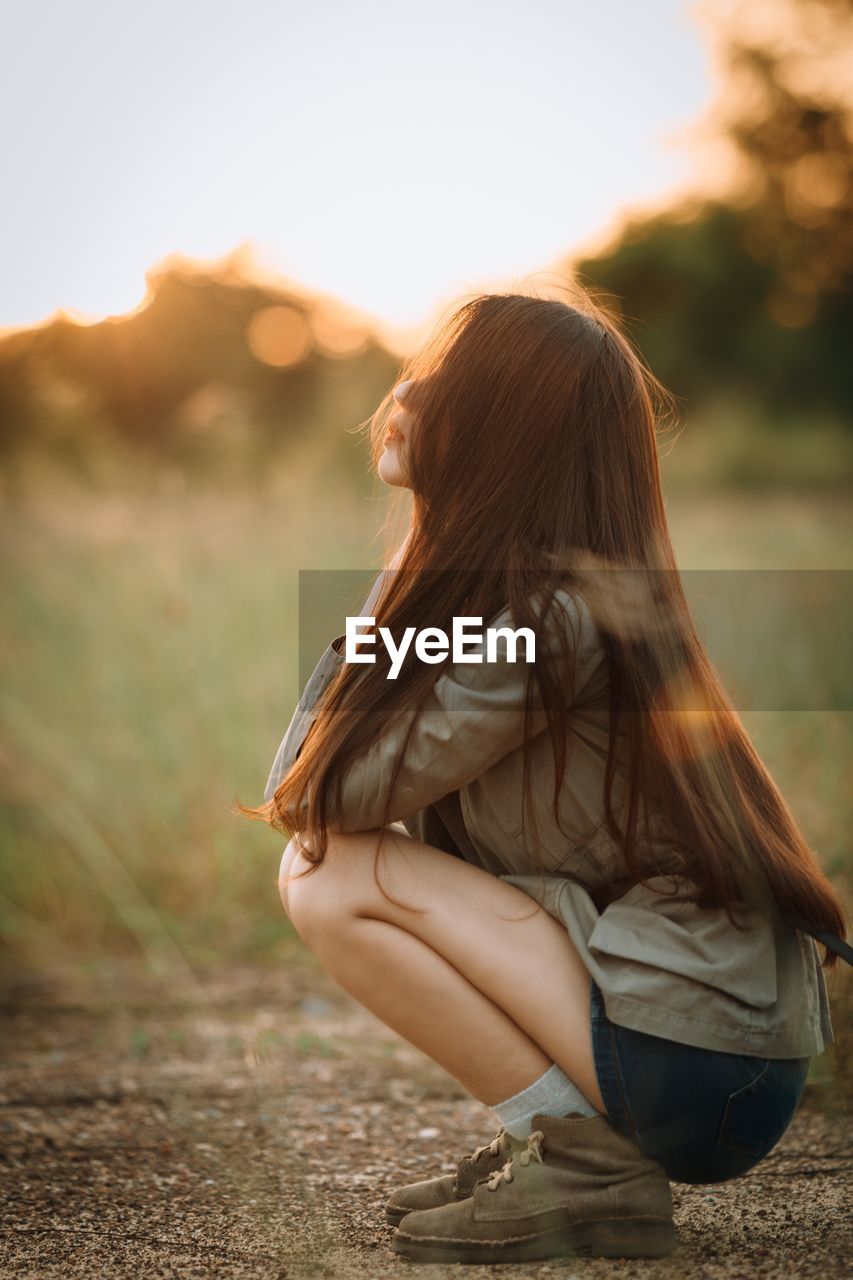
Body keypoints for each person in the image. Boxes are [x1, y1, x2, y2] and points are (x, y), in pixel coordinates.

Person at [241, 290, 846, 1265]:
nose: (402, 392)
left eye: (443, 386)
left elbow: (306, 795)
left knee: (327, 869)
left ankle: (583, 1161)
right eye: (415, 372)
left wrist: (391, 588)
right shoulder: (547, 599)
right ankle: (562, 1142)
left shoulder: (541, 624)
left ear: (505, 436)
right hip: (702, 1054)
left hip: (697, 1066)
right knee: (334, 857)